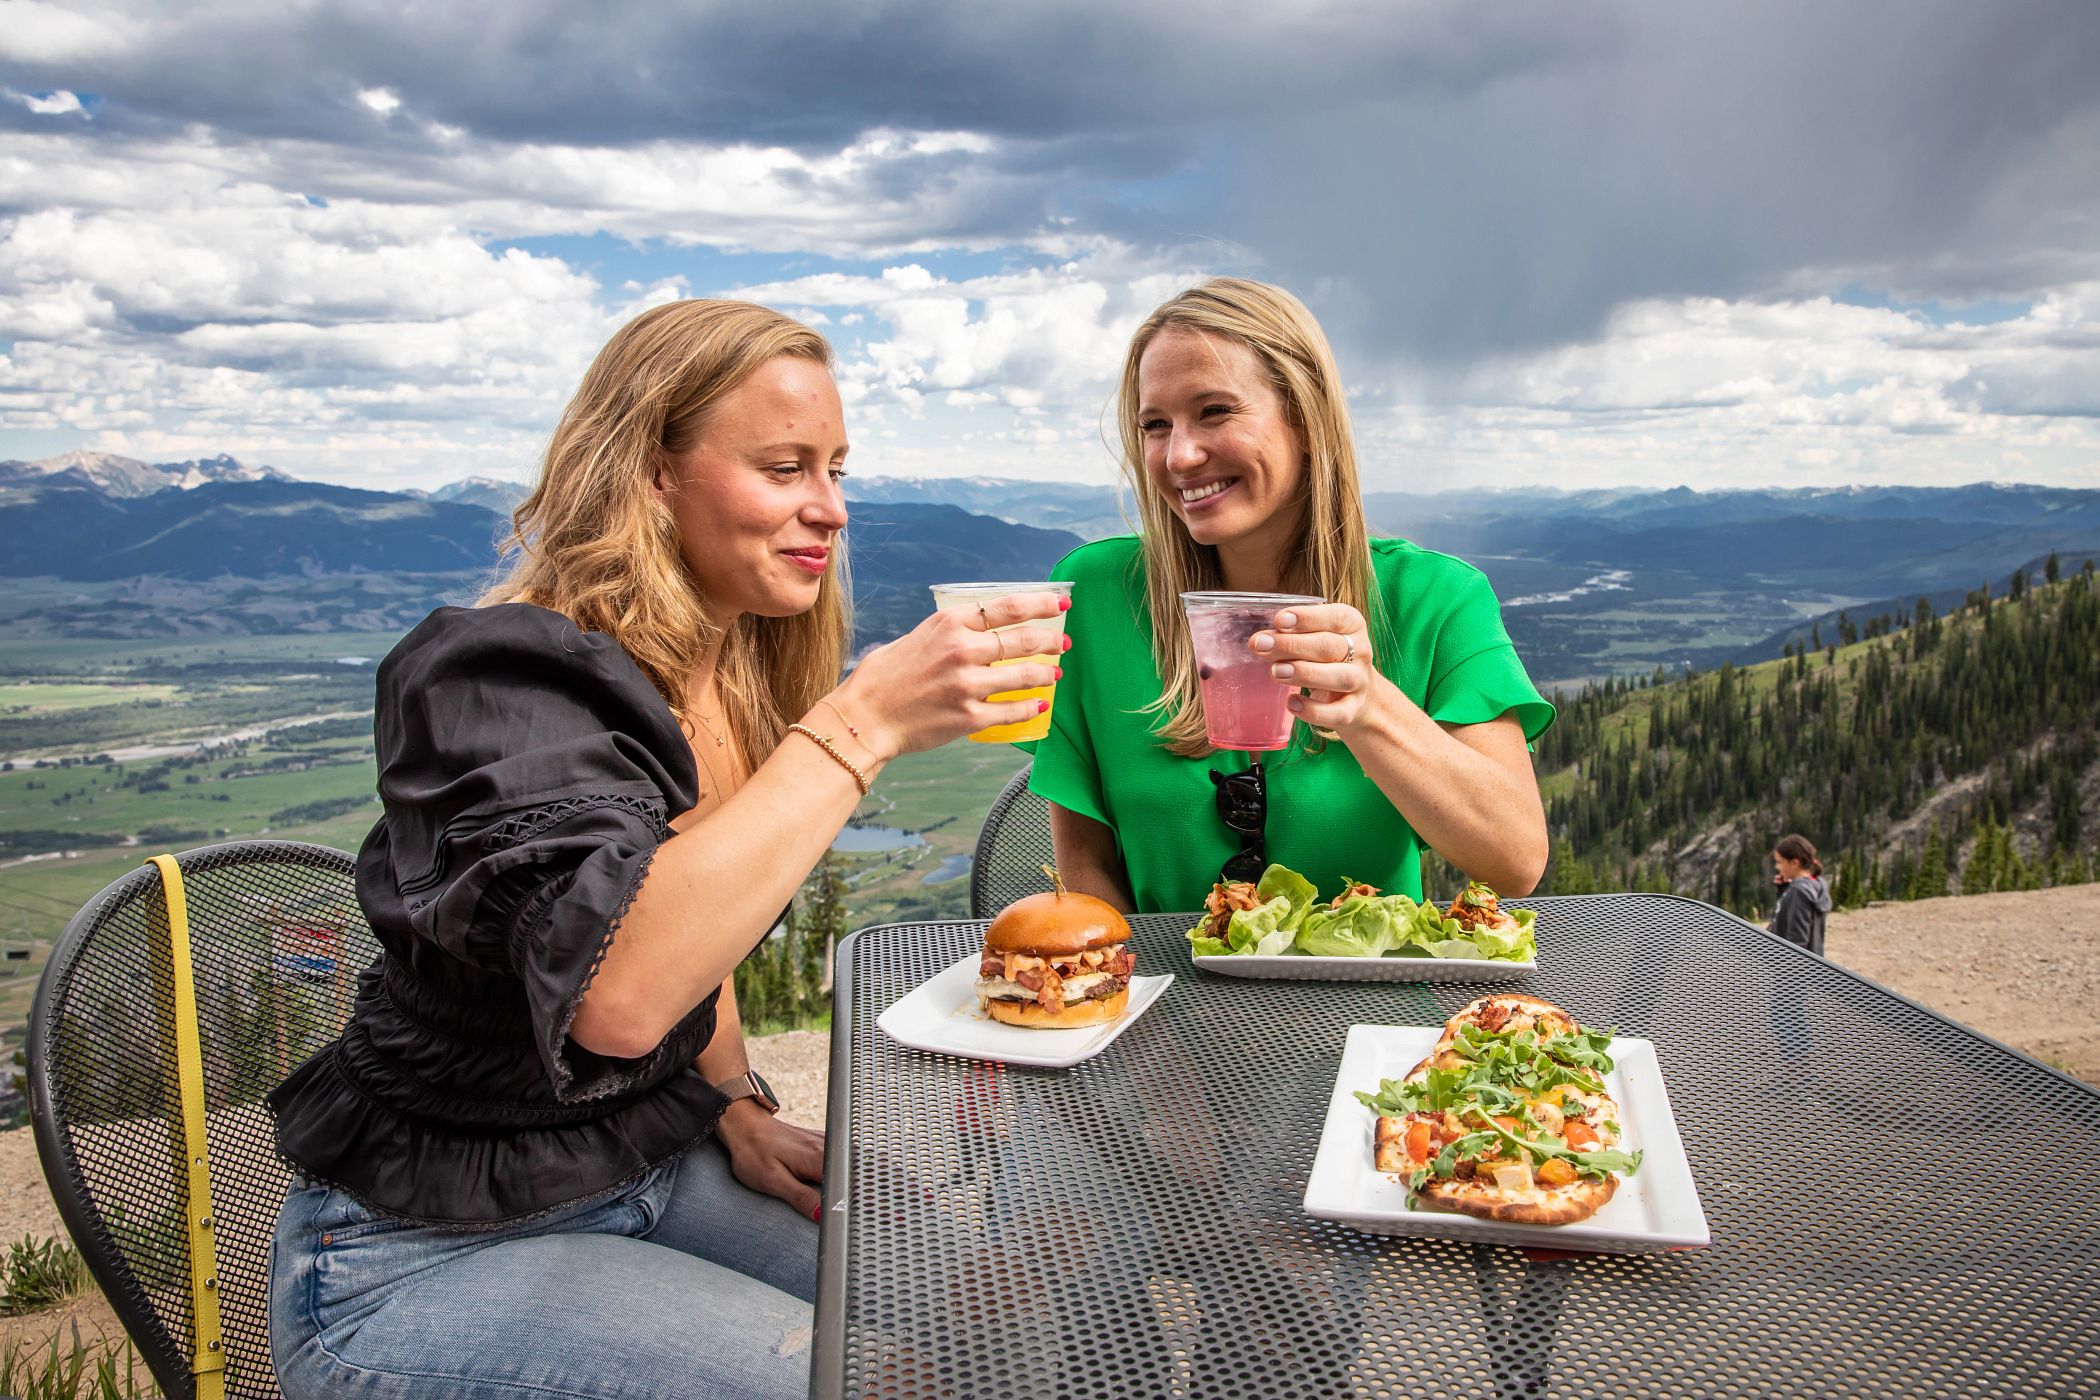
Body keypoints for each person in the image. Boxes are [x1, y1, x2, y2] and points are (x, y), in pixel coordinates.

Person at [264, 299, 1068, 1400]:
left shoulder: (725, 664)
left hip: (644, 1163)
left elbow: (706, 926)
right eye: (785, 467)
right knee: (866, 1383)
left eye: (837, 469)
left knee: (995, 1323)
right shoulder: (496, 678)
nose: (828, 509)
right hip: (419, 1255)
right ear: (651, 471)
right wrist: (861, 722)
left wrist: (733, 1099)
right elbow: (620, 990)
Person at [1031, 277, 1553, 911]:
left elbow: (1516, 863)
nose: (1179, 454)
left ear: (1306, 419)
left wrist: (1369, 707)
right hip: (1160, 1001)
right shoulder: (1096, 595)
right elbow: (1085, 867)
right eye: (1155, 425)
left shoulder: (1435, 599)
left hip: (1367, 1003)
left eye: (1214, 411)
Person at [1768, 833, 1831, 954]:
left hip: (1795, 969)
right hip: (1813, 964)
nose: (1777, 867)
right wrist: (1784, 890)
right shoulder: (1817, 883)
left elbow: (1797, 941)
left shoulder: (1798, 892)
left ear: (1794, 863)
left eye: (1780, 862)